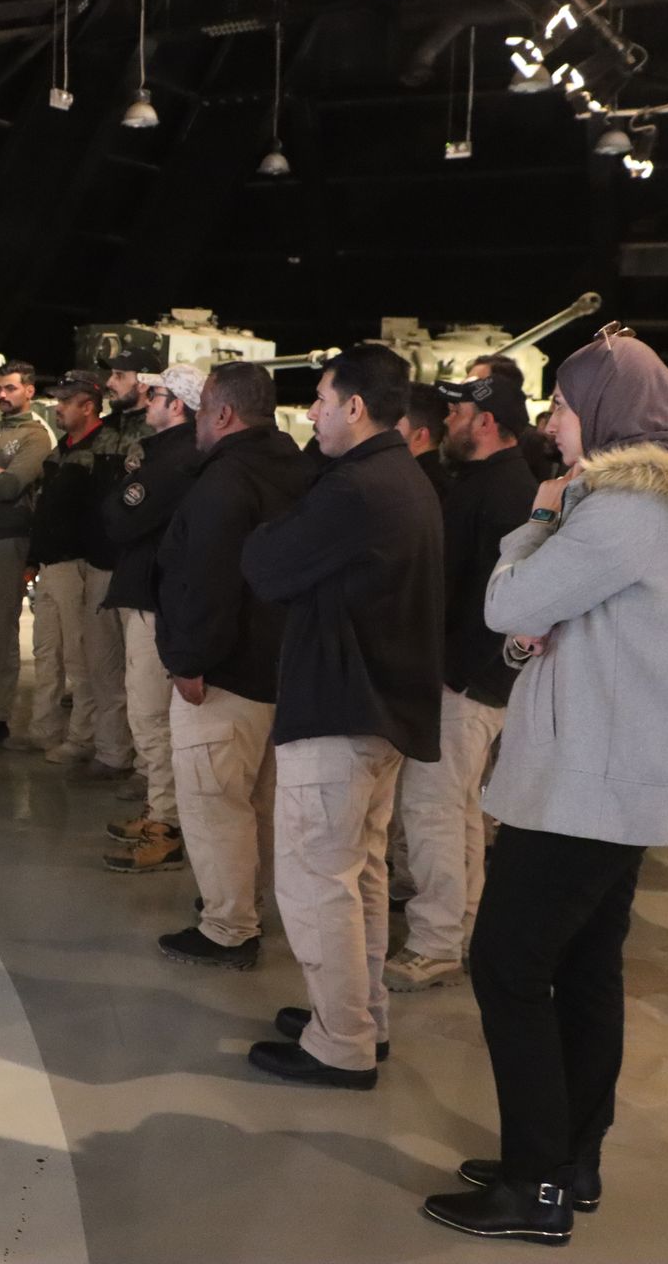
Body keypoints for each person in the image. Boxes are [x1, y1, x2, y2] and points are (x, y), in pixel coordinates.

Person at [422, 329, 668, 1244]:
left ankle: (534, 1184)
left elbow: (507, 604)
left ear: (612, 412)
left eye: (565, 406)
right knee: (581, 968)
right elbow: (562, 625)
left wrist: (538, 521)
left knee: (508, 964)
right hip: (621, 774)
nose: (552, 423)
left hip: (588, 781)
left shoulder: (628, 508)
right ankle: (570, 1162)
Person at [241, 344, 443, 1089]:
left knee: (317, 879)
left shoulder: (355, 488)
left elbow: (264, 564)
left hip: (339, 707)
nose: (313, 412)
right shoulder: (404, 476)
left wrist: (280, 516)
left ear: (355, 406)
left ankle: (340, 1043)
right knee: (356, 875)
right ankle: (360, 1017)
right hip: (377, 707)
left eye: (322, 400)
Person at [145, 363, 313, 958]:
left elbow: (207, 580)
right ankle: (246, 904)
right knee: (257, 802)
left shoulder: (225, 479)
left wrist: (189, 661)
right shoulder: (297, 467)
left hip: (224, 672)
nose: (195, 420)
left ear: (223, 413)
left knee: (214, 802)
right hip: (279, 666)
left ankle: (228, 927)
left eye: (202, 409)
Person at [385, 372, 538, 992]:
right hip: (470, 676)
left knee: (432, 810)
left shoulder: (503, 491)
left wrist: (457, 674)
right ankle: (463, 928)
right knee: (458, 810)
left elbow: (489, 597)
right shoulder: (488, 482)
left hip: (466, 680)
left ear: (486, 422)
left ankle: (436, 941)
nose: (446, 422)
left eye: (456, 414)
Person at [96, 364, 204, 870]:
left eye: (155, 392)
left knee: (151, 715)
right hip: (148, 593)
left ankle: (168, 824)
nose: (147, 397)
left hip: (154, 598)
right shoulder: (171, 453)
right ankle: (162, 809)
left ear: (177, 404)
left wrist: (123, 493)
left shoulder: (175, 459)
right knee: (150, 714)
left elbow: (119, 518)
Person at [24, 370, 135, 778]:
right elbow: (46, 512)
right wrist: (33, 559)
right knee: (51, 651)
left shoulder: (106, 448)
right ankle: (63, 732)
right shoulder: (63, 451)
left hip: (80, 564)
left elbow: (100, 514)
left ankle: (87, 737)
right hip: (53, 564)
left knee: (84, 657)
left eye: (65, 402)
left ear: (88, 406)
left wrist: (93, 564)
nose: (58, 408)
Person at [0, 361, 55, 742]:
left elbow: (10, 487)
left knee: (3, 628)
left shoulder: (35, 437)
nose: (2, 395)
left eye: (11, 388)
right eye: (0, 388)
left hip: (9, 540)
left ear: (29, 391)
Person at [397, 382, 453, 501]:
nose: (385, 431)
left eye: (396, 424)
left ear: (420, 436)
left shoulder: (414, 486)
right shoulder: (442, 481)